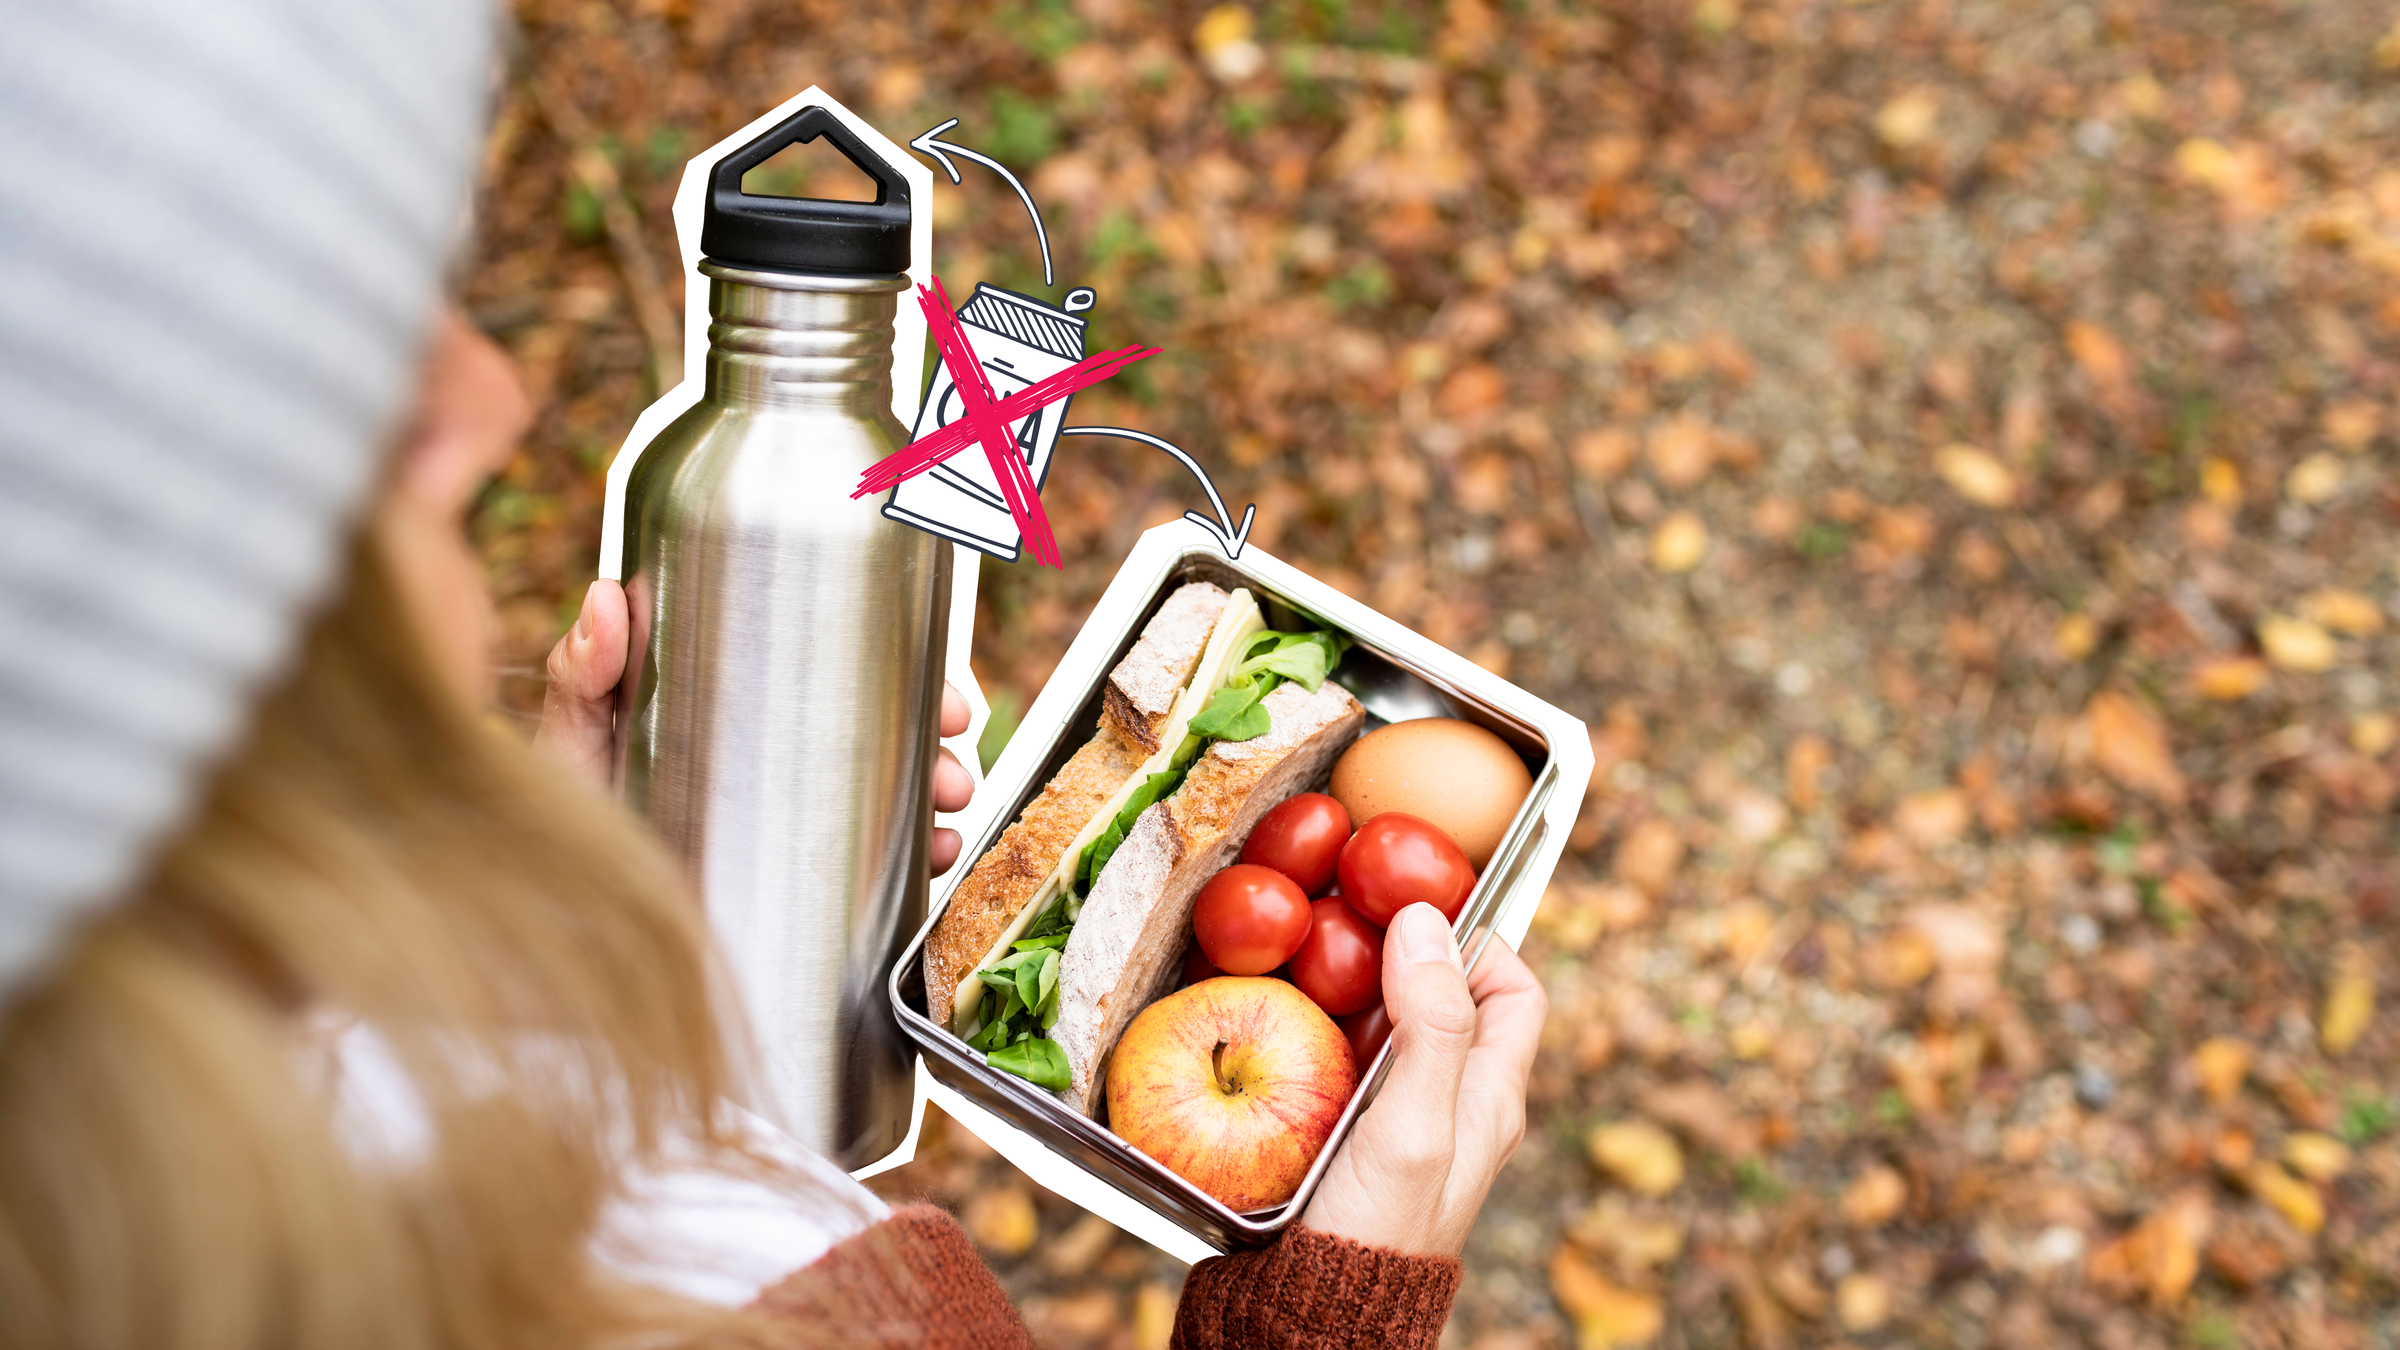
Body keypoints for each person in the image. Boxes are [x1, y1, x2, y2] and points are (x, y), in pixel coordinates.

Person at [0, 1, 1546, 1346]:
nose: (490, 389)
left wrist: (550, 931)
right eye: (334, 346)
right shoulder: (811, 1308)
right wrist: (1342, 1293)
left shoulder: (129, 1157)